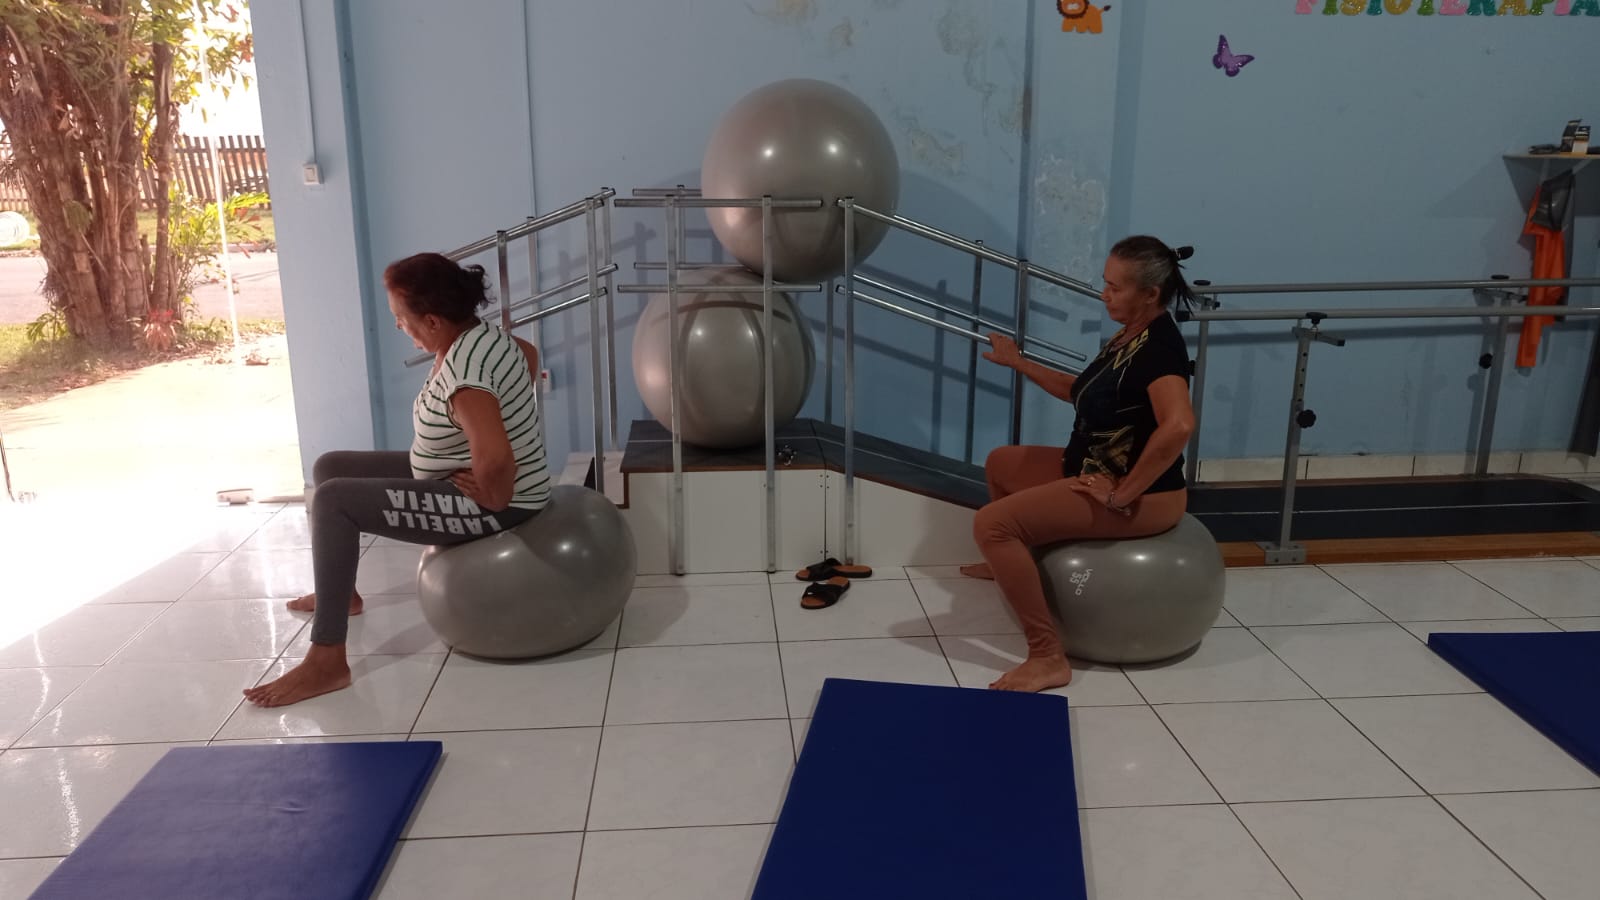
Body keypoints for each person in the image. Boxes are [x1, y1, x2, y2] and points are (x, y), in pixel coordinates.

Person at [244, 253, 551, 707]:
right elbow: (529, 356)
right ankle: (341, 595)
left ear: (432, 321)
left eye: (400, 318)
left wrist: (494, 496)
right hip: (456, 474)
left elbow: (495, 455)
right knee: (330, 467)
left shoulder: (466, 376)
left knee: (333, 500)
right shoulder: (480, 337)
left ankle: (327, 660)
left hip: (497, 502)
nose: (398, 326)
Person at [963, 236, 1197, 693]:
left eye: (1115, 287)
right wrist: (1018, 363)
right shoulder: (1129, 334)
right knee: (1001, 463)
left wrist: (1122, 495)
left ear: (1150, 294)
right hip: (1090, 466)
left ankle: (1047, 656)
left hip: (1147, 497)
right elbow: (1080, 392)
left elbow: (1179, 425)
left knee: (992, 525)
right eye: (1105, 283)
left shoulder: (1159, 350)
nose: (1104, 294)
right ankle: (1007, 565)